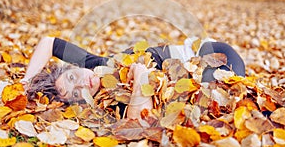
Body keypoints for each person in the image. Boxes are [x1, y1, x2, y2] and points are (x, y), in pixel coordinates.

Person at [22, 36, 245, 120]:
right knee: (223, 102)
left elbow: (49, 43)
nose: (82, 83)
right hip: (205, 84)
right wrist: (141, 79)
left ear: (73, 67)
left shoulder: (92, 64)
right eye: (77, 93)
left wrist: (25, 83)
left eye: (72, 78)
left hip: (206, 53)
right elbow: (138, 121)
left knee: (226, 88)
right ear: (82, 103)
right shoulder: (112, 105)